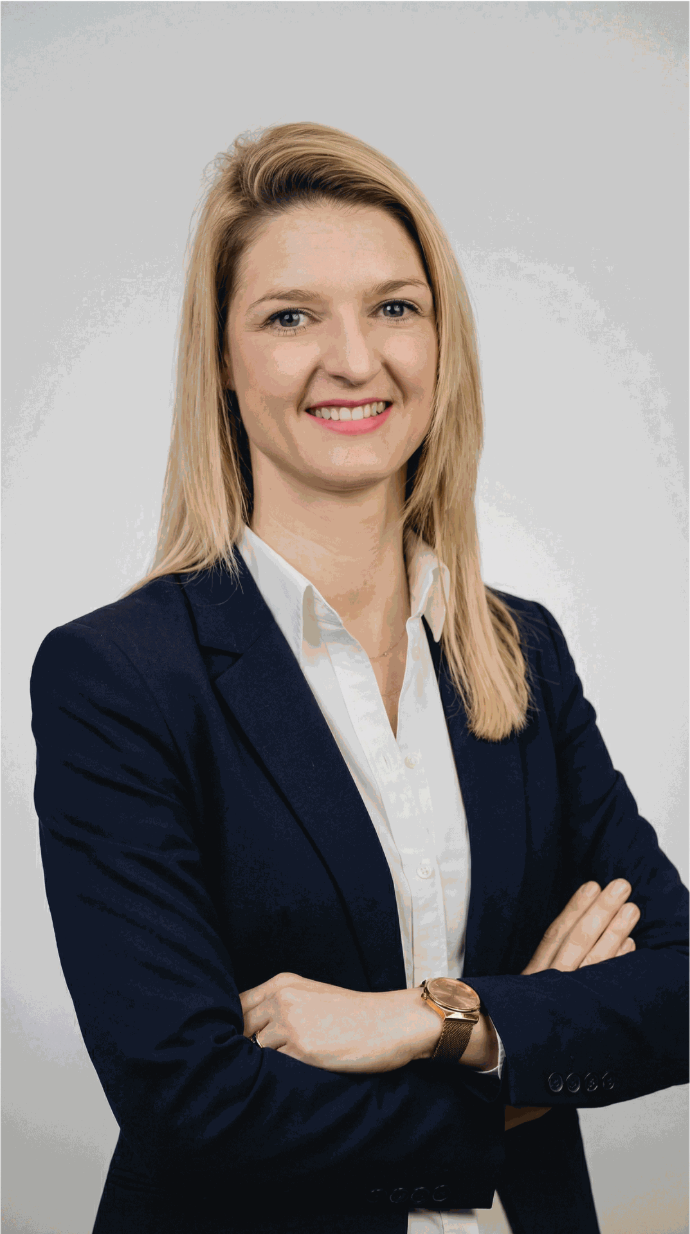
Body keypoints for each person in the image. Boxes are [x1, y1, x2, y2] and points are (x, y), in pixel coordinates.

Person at [30, 122, 688, 1234]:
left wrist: (432, 1020)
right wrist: (525, 1051)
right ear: (222, 361)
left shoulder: (519, 650)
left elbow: (679, 985)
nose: (353, 359)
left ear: (441, 340)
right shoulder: (120, 677)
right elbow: (193, 1101)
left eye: (394, 307)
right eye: (290, 316)